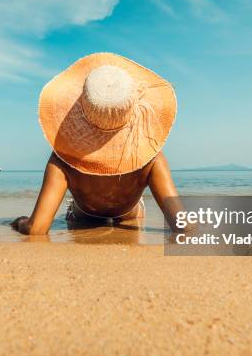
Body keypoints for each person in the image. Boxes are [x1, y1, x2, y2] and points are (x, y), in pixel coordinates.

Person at [11, 53, 183, 235]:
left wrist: (19, 222)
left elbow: (37, 229)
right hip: (130, 217)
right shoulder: (151, 159)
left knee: (72, 214)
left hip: (84, 217)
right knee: (136, 214)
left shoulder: (62, 159)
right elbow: (183, 226)